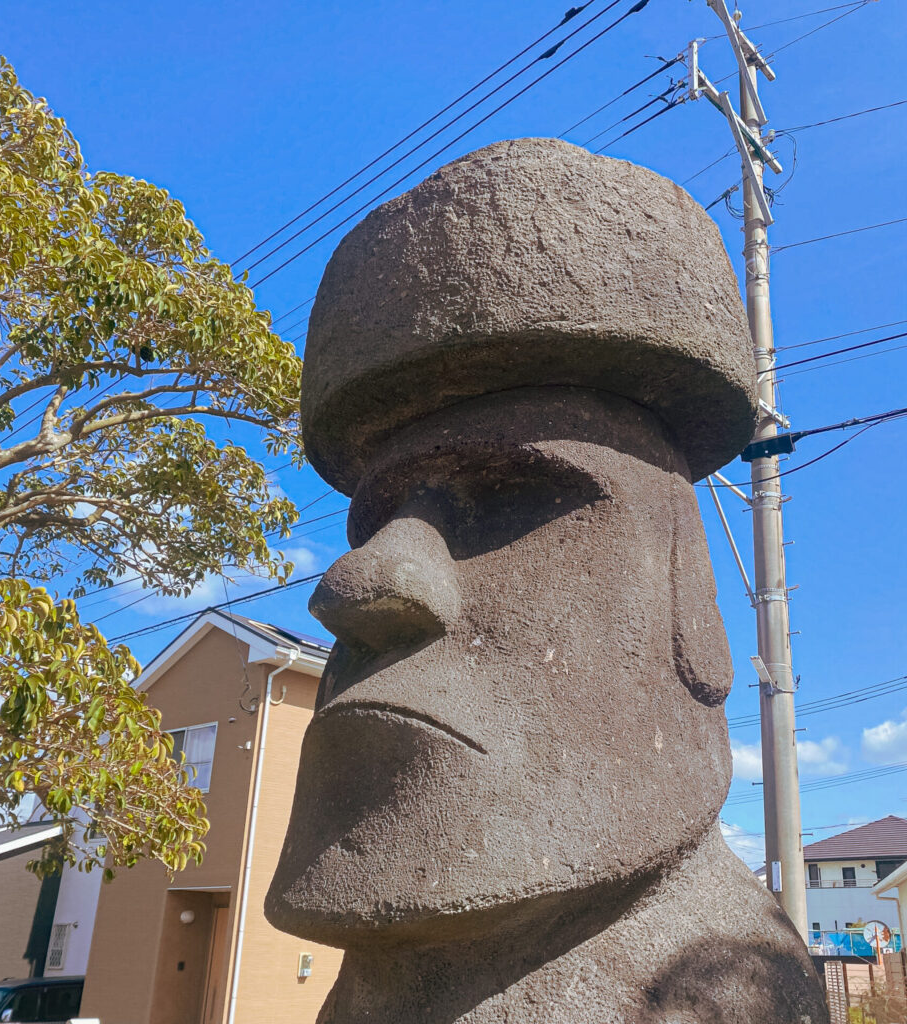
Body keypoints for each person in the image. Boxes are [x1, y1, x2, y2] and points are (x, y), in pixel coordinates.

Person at [267, 138, 827, 1024]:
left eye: (513, 498)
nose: (353, 583)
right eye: (370, 523)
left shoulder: (719, 986)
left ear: (696, 608)